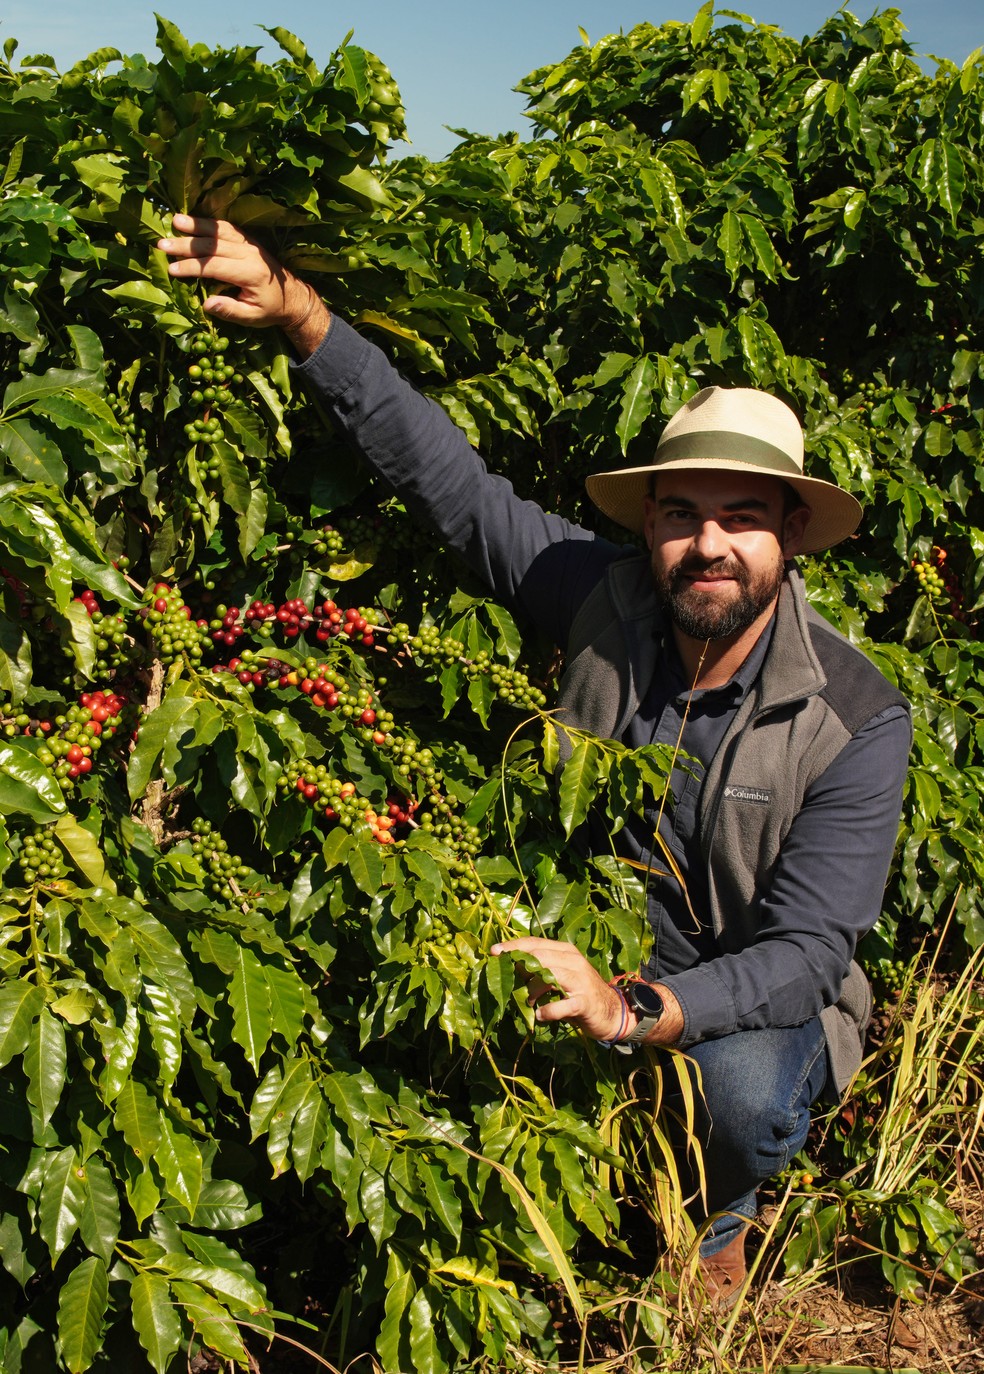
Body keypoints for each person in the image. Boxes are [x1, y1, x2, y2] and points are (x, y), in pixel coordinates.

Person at [158, 216, 912, 1305]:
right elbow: (456, 491)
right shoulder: (604, 596)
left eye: (742, 519)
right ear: (647, 524)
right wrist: (306, 320)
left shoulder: (855, 717)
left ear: (789, 535)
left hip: (747, 995)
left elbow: (803, 951)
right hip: (588, 926)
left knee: (740, 1099)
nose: (709, 545)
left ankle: (720, 1214)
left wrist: (633, 1009)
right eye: (682, 514)